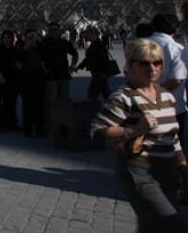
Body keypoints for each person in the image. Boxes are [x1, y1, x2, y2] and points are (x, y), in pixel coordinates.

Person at [91, 39, 188, 232]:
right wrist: (134, 130)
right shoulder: (123, 97)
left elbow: (173, 139)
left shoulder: (167, 96)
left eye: (157, 63)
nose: (152, 68)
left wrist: (184, 169)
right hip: (139, 171)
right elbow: (97, 131)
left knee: (150, 227)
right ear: (131, 65)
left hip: (168, 173)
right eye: (145, 63)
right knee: (172, 225)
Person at [148, 14, 188, 152]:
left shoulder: (138, 46)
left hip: (142, 105)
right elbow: (177, 79)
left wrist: (145, 95)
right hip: (173, 107)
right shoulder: (176, 48)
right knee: (175, 148)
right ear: (175, 29)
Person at [40, 22, 78, 103]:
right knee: (52, 101)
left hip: (64, 75)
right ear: (48, 31)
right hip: (50, 76)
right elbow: (37, 57)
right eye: (51, 30)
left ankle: (63, 115)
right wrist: (43, 68)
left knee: (64, 101)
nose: (53, 32)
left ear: (59, 31)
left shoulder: (65, 43)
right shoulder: (43, 43)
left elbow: (75, 54)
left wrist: (73, 65)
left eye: (55, 30)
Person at [0, 30, 22, 131]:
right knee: (5, 102)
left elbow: (19, 62)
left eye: (8, 37)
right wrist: (0, 77)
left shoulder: (15, 49)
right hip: (3, 79)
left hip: (14, 79)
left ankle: (12, 123)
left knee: (13, 102)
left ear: (11, 38)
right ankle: (3, 123)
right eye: (4, 37)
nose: (6, 39)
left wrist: (19, 66)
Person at [77, 28, 112, 100]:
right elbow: (88, 58)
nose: (85, 36)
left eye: (87, 34)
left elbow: (102, 59)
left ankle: (91, 108)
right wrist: (79, 66)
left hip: (99, 72)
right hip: (99, 72)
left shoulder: (98, 45)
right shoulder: (95, 44)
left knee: (92, 93)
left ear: (93, 35)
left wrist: (102, 72)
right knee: (105, 92)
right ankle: (115, 105)